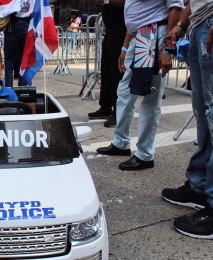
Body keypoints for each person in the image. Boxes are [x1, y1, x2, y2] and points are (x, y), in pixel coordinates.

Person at [96, 0, 183, 171]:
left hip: (153, 34)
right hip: (140, 35)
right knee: (124, 92)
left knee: (151, 97)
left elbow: (176, 7)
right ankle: (121, 142)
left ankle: (144, 154)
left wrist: (168, 49)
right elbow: (133, 14)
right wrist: (124, 47)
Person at [162, 0, 213, 239]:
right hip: (199, 23)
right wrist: (183, 24)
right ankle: (199, 186)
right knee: (203, 111)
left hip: (209, 21)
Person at [88, 0, 126, 128]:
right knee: (105, 71)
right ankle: (105, 106)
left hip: (120, 29)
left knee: (116, 73)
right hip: (110, 30)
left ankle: (118, 111)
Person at [3, 0, 35, 88]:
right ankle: (22, 88)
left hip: (13, 25)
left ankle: (8, 89)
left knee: (9, 59)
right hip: (27, 25)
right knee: (25, 58)